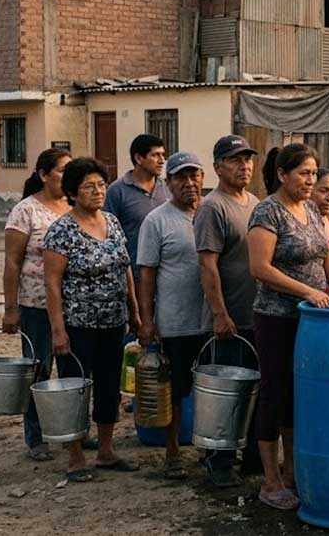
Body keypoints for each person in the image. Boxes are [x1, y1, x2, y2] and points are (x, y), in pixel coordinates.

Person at [247, 144, 329, 510]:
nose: (310, 180)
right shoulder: (268, 212)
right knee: (273, 394)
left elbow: (325, 252)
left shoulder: (308, 208)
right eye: (303, 173)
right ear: (282, 175)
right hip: (276, 318)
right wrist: (307, 290)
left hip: (311, 319)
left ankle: (292, 471)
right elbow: (260, 267)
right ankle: (270, 481)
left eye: (313, 173)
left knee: (299, 396)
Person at [43, 157, 142, 483]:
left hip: (113, 323)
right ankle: (75, 457)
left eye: (101, 185)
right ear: (72, 192)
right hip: (77, 325)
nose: (98, 191)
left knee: (109, 386)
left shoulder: (111, 222)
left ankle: (106, 451)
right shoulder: (61, 231)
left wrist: (134, 310)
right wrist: (58, 330)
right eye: (89, 186)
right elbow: (52, 283)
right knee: (75, 388)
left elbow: (125, 268)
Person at [195, 135, 262, 487]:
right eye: (235, 160)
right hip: (230, 319)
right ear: (218, 167)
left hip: (257, 314)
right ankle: (218, 460)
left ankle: (252, 455)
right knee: (226, 393)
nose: (244, 166)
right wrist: (219, 313)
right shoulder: (213, 207)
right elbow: (207, 265)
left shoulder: (255, 203)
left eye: (247, 159)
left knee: (256, 389)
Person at [136, 152, 206, 480]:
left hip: (211, 320)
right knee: (175, 390)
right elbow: (147, 275)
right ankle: (172, 452)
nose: (189, 183)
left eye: (194, 176)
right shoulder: (157, 220)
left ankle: (210, 450)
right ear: (168, 183)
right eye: (181, 178)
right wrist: (147, 321)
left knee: (210, 389)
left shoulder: (211, 212)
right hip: (175, 321)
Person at [2, 147, 71, 462]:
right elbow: (12, 262)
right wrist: (11, 308)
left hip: (73, 305)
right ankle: (36, 436)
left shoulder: (74, 207)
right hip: (36, 305)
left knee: (73, 371)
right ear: (44, 175)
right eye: (62, 170)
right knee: (39, 369)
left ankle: (72, 431)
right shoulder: (26, 211)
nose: (67, 177)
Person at [104, 134, 169, 281]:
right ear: (139, 158)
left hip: (165, 274)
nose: (162, 161)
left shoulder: (167, 189)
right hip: (133, 275)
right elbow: (108, 234)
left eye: (163, 155)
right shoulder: (117, 191)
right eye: (155, 155)